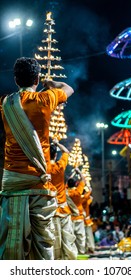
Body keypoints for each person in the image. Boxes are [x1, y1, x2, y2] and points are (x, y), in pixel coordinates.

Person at [0, 57, 74, 260]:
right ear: (37, 78)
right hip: (38, 183)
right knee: (42, 241)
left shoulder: (5, 103)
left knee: (10, 241)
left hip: (12, 181)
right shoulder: (46, 99)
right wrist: (51, 84)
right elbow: (68, 88)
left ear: (15, 79)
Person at [49, 139, 77, 260]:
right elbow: (66, 151)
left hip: (49, 210)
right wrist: (56, 143)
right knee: (67, 238)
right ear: (55, 155)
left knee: (54, 239)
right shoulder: (59, 166)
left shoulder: (43, 168)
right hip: (64, 209)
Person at [66, 168, 86, 255]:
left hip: (69, 217)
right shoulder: (78, 191)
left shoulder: (65, 192)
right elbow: (84, 180)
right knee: (80, 236)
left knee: (71, 236)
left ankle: (73, 254)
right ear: (76, 184)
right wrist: (79, 172)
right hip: (79, 217)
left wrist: (72, 175)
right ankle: (81, 252)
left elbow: (65, 184)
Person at [81, 185, 95, 253]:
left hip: (80, 221)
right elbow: (90, 193)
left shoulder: (77, 198)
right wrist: (89, 188)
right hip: (85, 220)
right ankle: (91, 248)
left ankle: (85, 249)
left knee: (82, 236)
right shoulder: (84, 198)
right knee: (88, 235)